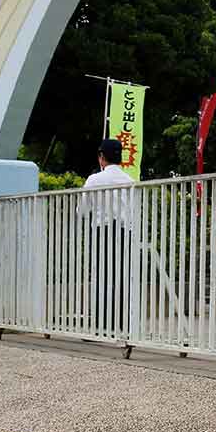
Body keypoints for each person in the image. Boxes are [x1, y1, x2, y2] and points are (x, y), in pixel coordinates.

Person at [79, 139, 134, 336]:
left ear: (101, 157)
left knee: (102, 276)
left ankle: (102, 325)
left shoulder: (94, 180)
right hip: (124, 232)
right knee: (122, 276)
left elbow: (82, 210)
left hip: (102, 231)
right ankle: (122, 324)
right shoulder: (129, 181)